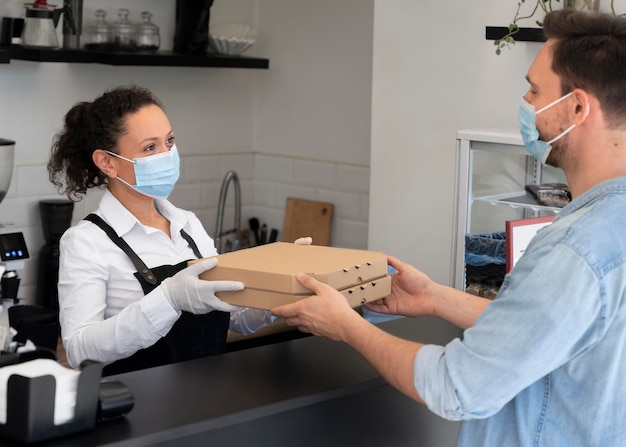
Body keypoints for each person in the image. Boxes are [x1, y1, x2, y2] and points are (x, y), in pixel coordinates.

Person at [272, 9, 626, 446]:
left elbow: (458, 387)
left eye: (535, 90)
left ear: (576, 107)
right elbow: (542, 334)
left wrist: (347, 326)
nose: (527, 103)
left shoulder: (573, 248)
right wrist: (435, 298)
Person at [49, 85, 275, 376]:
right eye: (150, 147)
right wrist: (168, 300)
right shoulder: (85, 242)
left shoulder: (188, 226)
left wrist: (277, 298)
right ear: (107, 162)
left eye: (169, 141)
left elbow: (231, 316)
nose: (167, 155)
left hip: (211, 400)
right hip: (137, 410)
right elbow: (80, 350)